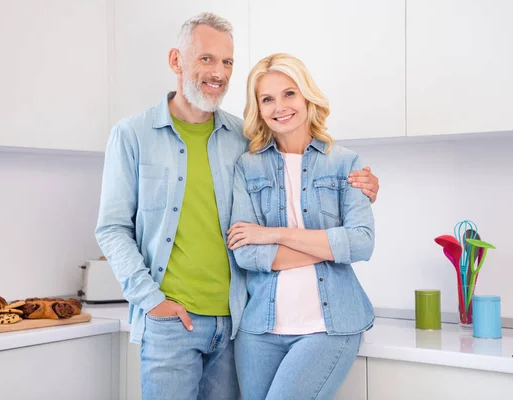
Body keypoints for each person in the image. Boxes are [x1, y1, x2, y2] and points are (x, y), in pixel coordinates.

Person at [95, 13, 379, 400]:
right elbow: (112, 229)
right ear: (176, 61)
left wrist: (362, 184)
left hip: (235, 323)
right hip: (170, 322)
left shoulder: (242, 141)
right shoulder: (133, 135)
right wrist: (150, 300)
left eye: (227, 62)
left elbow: (299, 169)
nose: (219, 72)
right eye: (207, 59)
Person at [227, 53, 376, 400]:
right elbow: (247, 252)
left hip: (328, 327)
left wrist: (273, 234)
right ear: (259, 108)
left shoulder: (345, 163)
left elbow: (361, 243)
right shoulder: (247, 167)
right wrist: (327, 248)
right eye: (267, 99)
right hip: (258, 331)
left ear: (307, 95)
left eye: (289, 93)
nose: (280, 106)